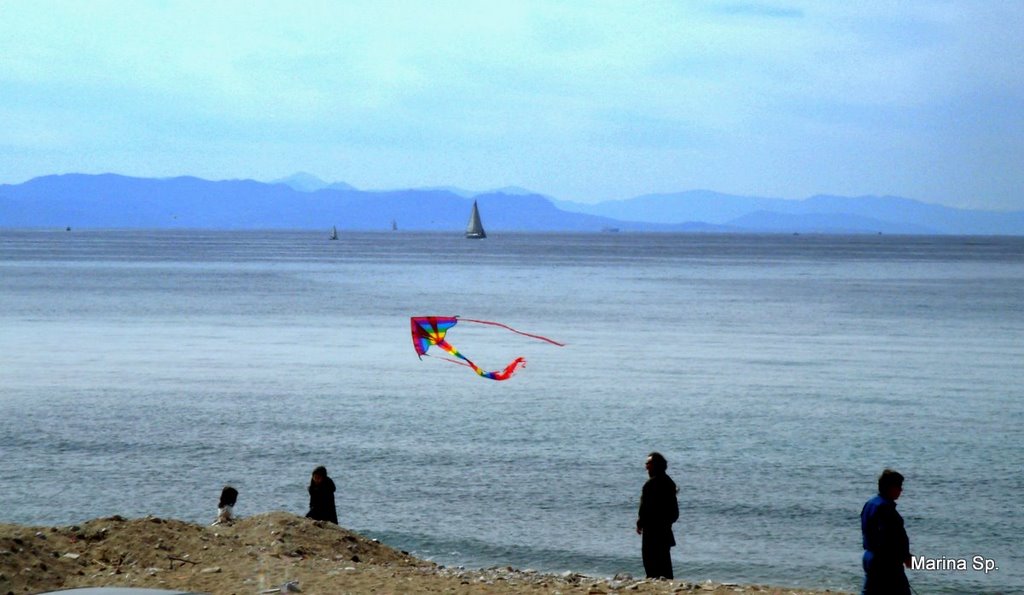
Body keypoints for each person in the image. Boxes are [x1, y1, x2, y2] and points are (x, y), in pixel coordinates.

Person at [860, 469, 912, 595]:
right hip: (886, 562)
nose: (901, 490)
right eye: (899, 486)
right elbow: (891, 537)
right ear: (890, 487)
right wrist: (905, 556)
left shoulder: (870, 504)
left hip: (870, 557)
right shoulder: (885, 508)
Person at [636, 451, 679, 579]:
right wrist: (667, 523)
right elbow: (674, 512)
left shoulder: (650, 485)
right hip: (665, 529)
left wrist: (640, 523)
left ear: (655, 465)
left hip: (652, 529)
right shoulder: (669, 483)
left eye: (648, 463)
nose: (646, 466)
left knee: (650, 561)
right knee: (664, 562)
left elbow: (644, 508)